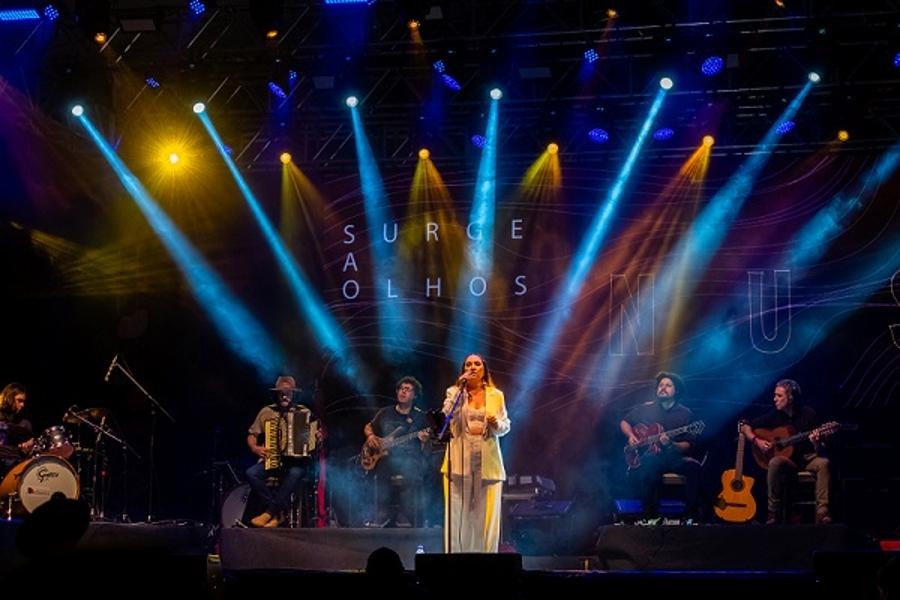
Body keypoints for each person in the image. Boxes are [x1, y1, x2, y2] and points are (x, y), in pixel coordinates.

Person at [440, 354, 510, 552]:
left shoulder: (496, 395)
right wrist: (459, 389)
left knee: (485, 515)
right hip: (458, 459)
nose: (472, 367)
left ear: (484, 369)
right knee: (457, 513)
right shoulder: (454, 392)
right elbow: (445, 416)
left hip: (487, 459)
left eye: (477, 364)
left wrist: (496, 424)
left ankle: (485, 558)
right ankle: (455, 557)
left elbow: (506, 426)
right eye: (468, 364)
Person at [741, 378, 832, 524]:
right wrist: (757, 441)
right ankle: (773, 512)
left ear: (790, 398)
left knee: (824, 463)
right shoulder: (775, 415)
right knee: (775, 462)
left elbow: (821, 449)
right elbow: (745, 426)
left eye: (779, 395)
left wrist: (816, 442)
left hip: (807, 459)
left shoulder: (808, 414)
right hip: (789, 462)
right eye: (775, 395)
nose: (774, 399)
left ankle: (822, 512)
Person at [619, 371, 702, 520]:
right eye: (661, 385)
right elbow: (624, 422)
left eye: (668, 385)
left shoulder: (685, 414)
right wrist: (631, 436)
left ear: (677, 391)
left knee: (693, 468)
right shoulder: (646, 408)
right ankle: (650, 517)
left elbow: (688, 445)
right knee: (648, 467)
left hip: (674, 458)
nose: (663, 388)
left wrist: (671, 444)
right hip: (651, 457)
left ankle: (690, 517)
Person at [245, 375, 321, 528]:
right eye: (281, 393)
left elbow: (314, 439)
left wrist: (317, 437)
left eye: (288, 393)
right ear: (277, 394)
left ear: (293, 394)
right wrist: (254, 447)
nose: (284, 396)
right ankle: (276, 513)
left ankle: (270, 512)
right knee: (251, 473)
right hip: (273, 459)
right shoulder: (267, 411)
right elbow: (252, 435)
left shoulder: (303, 412)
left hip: (296, 463)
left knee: (295, 472)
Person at [363, 376, 431, 527]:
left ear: (415, 395)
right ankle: (382, 513)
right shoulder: (385, 413)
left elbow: (427, 447)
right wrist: (371, 436)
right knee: (383, 468)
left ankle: (405, 514)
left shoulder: (420, 417)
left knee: (409, 466)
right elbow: (368, 426)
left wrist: (424, 440)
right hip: (386, 458)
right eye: (401, 388)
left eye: (408, 389)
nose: (403, 391)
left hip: (410, 458)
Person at [0, 382, 35, 476]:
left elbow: (29, 453)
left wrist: (28, 447)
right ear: (8, 398)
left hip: (14, 470)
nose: (22, 405)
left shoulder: (24, 424)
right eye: (19, 400)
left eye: (23, 401)